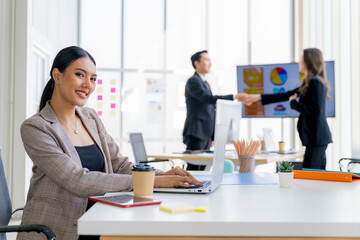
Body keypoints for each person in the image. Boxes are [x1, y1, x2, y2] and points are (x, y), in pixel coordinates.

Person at [18, 46, 203, 240]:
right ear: (57, 75)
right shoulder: (36, 127)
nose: (87, 85)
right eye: (80, 74)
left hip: (101, 217)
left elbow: (119, 164)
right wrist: (152, 181)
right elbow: (76, 179)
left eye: (93, 79)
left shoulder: (90, 118)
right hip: (58, 229)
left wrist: (162, 174)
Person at [246, 48, 332, 169]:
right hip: (316, 138)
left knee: (309, 175)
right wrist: (258, 97)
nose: (299, 61)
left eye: (301, 58)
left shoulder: (315, 82)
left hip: (317, 138)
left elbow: (316, 110)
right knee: (314, 175)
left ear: (309, 61)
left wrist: (294, 104)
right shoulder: (309, 83)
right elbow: (286, 95)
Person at [182, 50, 250, 170]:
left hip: (205, 134)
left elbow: (211, 109)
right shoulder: (193, 81)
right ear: (196, 63)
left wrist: (212, 136)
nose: (210, 63)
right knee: (194, 167)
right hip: (196, 133)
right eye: (206, 60)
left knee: (202, 167)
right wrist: (234, 96)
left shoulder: (205, 83)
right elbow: (208, 99)